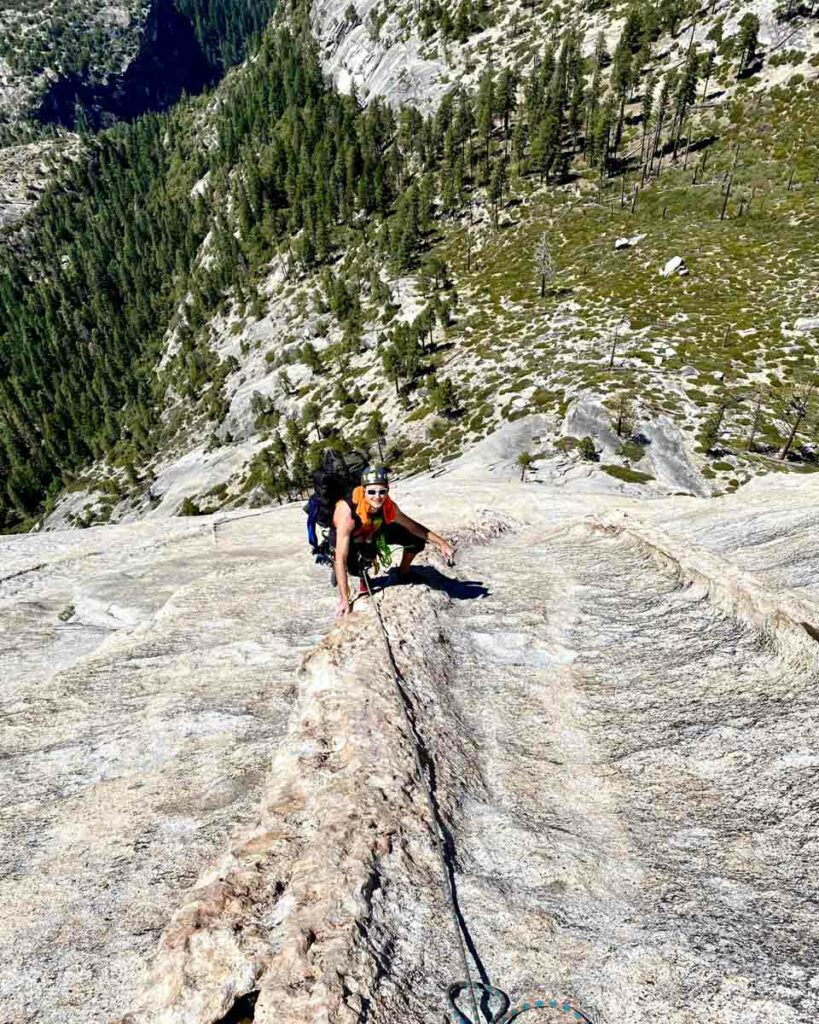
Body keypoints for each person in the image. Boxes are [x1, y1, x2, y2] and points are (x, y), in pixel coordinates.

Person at [332, 465, 455, 620]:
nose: (377, 497)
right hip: (351, 536)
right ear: (363, 491)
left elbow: (413, 526)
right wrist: (344, 599)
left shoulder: (388, 507)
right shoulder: (347, 512)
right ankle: (361, 573)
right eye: (371, 492)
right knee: (353, 568)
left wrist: (442, 543)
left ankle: (403, 573)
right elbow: (341, 558)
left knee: (415, 539)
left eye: (382, 491)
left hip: (372, 530)